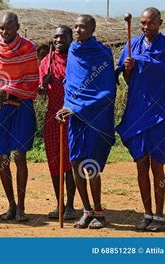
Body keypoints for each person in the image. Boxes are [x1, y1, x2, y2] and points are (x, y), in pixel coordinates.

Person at [117, 7, 165, 232]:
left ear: (160, 22)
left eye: (151, 23)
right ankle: (146, 213)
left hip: (161, 114)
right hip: (137, 112)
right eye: (143, 23)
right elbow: (128, 80)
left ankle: (160, 215)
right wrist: (128, 69)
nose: (146, 27)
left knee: (157, 166)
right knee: (140, 165)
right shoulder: (132, 45)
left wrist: (144, 63)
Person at [56, 15, 116, 229]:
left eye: (82, 26)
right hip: (74, 116)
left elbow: (108, 89)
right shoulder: (73, 50)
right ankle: (86, 210)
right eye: (76, 26)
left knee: (90, 165)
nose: (78, 29)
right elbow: (70, 83)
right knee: (75, 161)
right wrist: (65, 107)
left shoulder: (102, 53)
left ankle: (99, 212)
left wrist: (78, 107)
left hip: (95, 117)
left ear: (92, 28)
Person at [0, 12, 39, 222]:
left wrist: (9, 91)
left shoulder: (28, 48)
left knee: (19, 156)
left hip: (22, 108)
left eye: (8, 28)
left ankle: (22, 207)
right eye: (1, 28)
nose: (4, 32)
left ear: (17, 26)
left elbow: (32, 81)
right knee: (3, 158)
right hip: (0, 109)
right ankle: (10, 205)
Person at [38, 26, 76, 220]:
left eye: (62, 36)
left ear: (70, 38)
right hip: (53, 116)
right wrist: (43, 85)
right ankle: (59, 204)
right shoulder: (47, 61)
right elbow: (41, 92)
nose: (58, 40)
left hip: (73, 116)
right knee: (55, 162)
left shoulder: (76, 60)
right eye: (55, 37)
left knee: (71, 162)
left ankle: (70, 205)